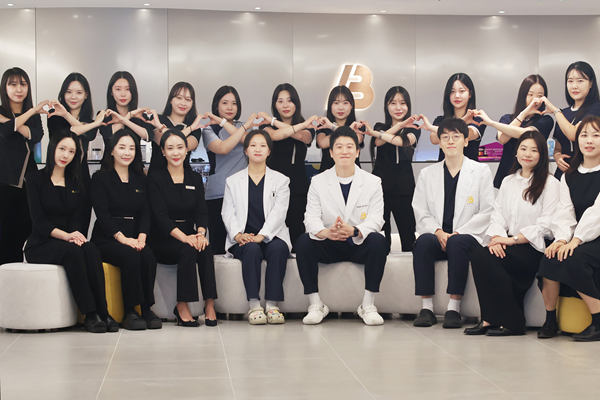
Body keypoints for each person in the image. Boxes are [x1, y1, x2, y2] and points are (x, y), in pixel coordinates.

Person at [465, 130, 559, 336]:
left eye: (534, 150)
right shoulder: (508, 181)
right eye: (523, 149)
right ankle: (489, 318)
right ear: (516, 152)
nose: (527, 154)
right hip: (509, 242)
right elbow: (497, 215)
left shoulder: (551, 183)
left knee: (491, 260)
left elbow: (547, 224)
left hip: (535, 247)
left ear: (542, 155)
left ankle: (514, 322)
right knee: (480, 255)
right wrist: (497, 239)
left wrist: (513, 240)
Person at [24, 130, 116, 333]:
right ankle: (89, 314)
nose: (66, 155)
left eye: (72, 151)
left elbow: (78, 218)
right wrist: (67, 236)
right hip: (42, 243)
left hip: (69, 240)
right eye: (62, 149)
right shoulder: (34, 179)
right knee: (74, 252)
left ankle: (104, 312)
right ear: (52, 148)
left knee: (91, 249)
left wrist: (75, 236)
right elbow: (39, 221)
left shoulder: (77, 182)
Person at [295, 126, 388, 326]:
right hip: (330, 242)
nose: (344, 151)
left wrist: (354, 230)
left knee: (379, 241)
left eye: (349, 147)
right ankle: (316, 304)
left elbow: (376, 219)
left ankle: (368, 305)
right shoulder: (318, 181)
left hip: (357, 242)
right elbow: (310, 218)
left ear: (357, 152)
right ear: (331, 152)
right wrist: (326, 233)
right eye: (339, 147)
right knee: (303, 242)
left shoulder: (373, 182)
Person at [412, 118, 494, 329]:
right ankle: (427, 308)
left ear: (466, 141)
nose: (450, 141)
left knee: (457, 242)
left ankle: (454, 308)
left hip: (467, 238)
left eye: (456, 136)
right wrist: (438, 232)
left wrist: (457, 233)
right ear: (439, 142)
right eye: (445, 137)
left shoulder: (481, 171)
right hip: (438, 236)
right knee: (423, 243)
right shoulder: (427, 174)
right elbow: (420, 210)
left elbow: (487, 211)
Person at [537, 116, 600, 341]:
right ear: (577, 140)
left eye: (596, 135)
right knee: (551, 257)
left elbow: (597, 213)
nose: (589, 140)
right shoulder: (569, 175)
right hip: (578, 236)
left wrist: (576, 240)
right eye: (584, 135)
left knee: (574, 258)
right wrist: (562, 239)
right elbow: (565, 212)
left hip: (593, 234)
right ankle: (550, 320)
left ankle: (598, 320)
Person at [91, 129, 161, 330]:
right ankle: (130, 311)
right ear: (112, 150)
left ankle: (146, 308)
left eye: (131, 148)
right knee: (130, 256)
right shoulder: (100, 178)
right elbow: (102, 215)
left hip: (135, 236)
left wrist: (142, 237)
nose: (127, 152)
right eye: (122, 147)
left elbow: (146, 212)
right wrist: (122, 238)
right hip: (107, 238)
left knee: (148, 256)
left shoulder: (141, 179)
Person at [148, 129, 218, 327]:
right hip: (163, 238)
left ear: (187, 150)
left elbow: (201, 212)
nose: (176, 152)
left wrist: (200, 234)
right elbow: (160, 217)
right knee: (189, 248)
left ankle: (210, 304)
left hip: (190, 234)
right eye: (170, 148)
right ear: (163, 152)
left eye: (180, 147)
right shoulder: (155, 178)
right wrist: (186, 238)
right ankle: (182, 305)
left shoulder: (194, 178)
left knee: (205, 248)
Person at [222, 130, 291, 324]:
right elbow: (227, 212)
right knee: (251, 249)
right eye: (253, 145)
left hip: (272, 235)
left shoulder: (281, 180)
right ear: (245, 150)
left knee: (278, 248)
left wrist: (262, 235)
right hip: (243, 238)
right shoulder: (233, 181)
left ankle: (272, 305)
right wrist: (237, 235)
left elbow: (279, 212)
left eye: (262, 145)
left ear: (269, 151)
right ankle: (254, 306)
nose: (257, 149)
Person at [257, 83, 317, 250]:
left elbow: (303, 137)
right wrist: (272, 122)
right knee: (271, 231)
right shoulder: (265, 126)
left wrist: (274, 120)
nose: (285, 105)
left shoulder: (307, 126)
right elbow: (275, 136)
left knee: (297, 231)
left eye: (289, 100)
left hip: (297, 187)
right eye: (280, 101)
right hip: (272, 186)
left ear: (296, 103)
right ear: (275, 104)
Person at [361, 86, 421, 251]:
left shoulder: (414, 127)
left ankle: (411, 264)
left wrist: (378, 133)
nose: (398, 107)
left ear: (408, 106)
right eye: (393, 103)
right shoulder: (380, 126)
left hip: (404, 187)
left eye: (402, 103)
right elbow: (379, 142)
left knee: (408, 234)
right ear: (387, 107)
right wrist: (399, 125)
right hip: (381, 187)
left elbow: (404, 142)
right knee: (381, 234)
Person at [202, 85, 259, 254]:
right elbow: (223, 148)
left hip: (244, 193)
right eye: (225, 103)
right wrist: (225, 124)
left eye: (234, 103)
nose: (230, 107)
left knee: (244, 243)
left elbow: (250, 142)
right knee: (219, 246)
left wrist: (236, 125)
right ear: (216, 105)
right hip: (217, 194)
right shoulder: (209, 130)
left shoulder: (244, 127)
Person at [0, 67, 48, 265]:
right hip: (4, 183)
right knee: (4, 237)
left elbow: (35, 135)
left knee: (24, 233)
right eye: (13, 84)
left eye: (23, 84)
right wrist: (31, 112)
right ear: (4, 88)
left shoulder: (34, 116)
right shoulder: (1, 110)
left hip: (28, 184)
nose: (19, 89)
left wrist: (12, 121)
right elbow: (5, 131)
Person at [473, 74, 554, 188]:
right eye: (530, 94)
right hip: (507, 175)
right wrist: (524, 113)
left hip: (533, 178)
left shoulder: (546, 120)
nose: (535, 99)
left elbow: (526, 134)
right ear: (523, 95)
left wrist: (491, 123)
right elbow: (503, 139)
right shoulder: (507, 118)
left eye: (540, 96)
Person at [539, 62, 600, 179]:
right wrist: (557, 156)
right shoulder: (563, 113)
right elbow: (558, 147)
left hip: (587, 174)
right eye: (570, 81)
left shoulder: (596, 108)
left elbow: (573, 134)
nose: (574, 86)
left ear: (591, 83)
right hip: (563, 174)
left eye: (580, 81)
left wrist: (555, 111)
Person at [420, 73, 487, 162]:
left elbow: (466, 134)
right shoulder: (440, 120)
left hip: (471, 169)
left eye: (462, 91)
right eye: (452, 91)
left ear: (470, 94)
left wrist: (430, 127)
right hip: (445, 168)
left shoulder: (477, 119)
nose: (457, 95)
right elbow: (434, 139)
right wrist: (464, 120)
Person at [147, 81, 206, 174]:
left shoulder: (195, 125)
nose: (183, 103)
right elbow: (164, 141)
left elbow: (186, 146)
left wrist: (161, 128)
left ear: (192, 104)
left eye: (188, 99)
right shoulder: (157, 119)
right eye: (179, 98)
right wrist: (190, 129)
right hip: (156, 176)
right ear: (171, 100)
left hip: (184, 177)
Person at [99, 71, 154, 149]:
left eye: (128, 89)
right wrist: (129, 116)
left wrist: (128, 117)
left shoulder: (140, 116)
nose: (123, 94)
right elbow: (108, 135)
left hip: (135, 157)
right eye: (118, 89)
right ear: (111, 92)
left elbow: (149, 136)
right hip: (110, 157)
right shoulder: (105, 116)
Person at [316, 85, 364, 173]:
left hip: (353, 175)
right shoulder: (323, 125)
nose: (340, 108)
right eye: (336, 103)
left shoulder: (357, 126)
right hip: (327, 175)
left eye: (345, 103)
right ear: (330, 106)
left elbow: (357, 139)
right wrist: (331, 126)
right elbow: (322, 143)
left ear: (351, 105)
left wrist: (332, 127)